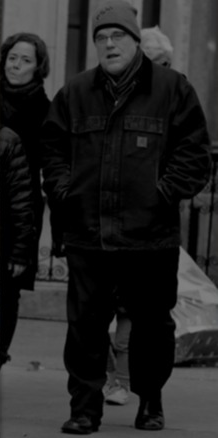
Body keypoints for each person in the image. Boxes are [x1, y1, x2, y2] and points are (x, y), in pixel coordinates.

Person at [40, 0, 211, 433]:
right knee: (85, 329)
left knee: (153, 328)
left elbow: (195, 156)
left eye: (118, 36)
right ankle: (85, 409)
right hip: (89, 236)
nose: (109, 43)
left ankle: (150, 400)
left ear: (135, 42)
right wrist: (65, 191)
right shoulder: (75, 93)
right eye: (101, 38)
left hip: (149, 238)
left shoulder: (173, 90)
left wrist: (162, 193)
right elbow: (53, 151)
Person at [103, 24, 176, 408]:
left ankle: (138, 389)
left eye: (165, 63)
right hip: (107, 226)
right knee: (102, 312)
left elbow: (187, 155)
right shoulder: (104, 94)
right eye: (156, 62)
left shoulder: (175, 94)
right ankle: (111, 378)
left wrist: (162, 193)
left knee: (142, 316)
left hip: (150, 228)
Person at [0, 32, 51, 366]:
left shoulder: (46, 109)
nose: (17, 65)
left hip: (22, 207)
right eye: (13, 58)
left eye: (26, 60)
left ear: (38, 67)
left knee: (10, 286)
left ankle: (1, 353)